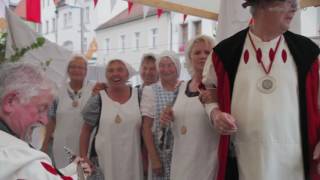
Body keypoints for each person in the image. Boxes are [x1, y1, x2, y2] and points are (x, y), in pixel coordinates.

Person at [202, 0, 320, 180]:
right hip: (243, 160)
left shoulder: (309, 53)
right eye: (287, 2)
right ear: (263, 5)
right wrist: (215, 114)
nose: (295, 7)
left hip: (295, 163)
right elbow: (209, 93)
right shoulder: (224, 54)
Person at [0, 62, 91, 179]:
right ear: (11, 101)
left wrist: (72, 168)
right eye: (41, 108)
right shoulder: (20, 159)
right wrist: (81, 173)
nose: (44, 120)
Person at [160, 35, 219, 180]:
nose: (203, 56)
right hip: (180, 161)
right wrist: (167, 118)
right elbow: (171, 124)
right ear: (189, 57)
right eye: (197, 52)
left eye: (207, 52)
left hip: (206, 163)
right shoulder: (180, 88)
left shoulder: (218, 87)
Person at [79, 59, 143, 180]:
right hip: (104, 161)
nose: (115, 74)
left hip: (133, 160)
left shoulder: (139, 96)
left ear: (127, 74)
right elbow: (85, 130)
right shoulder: (98, 99)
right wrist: (84, 158)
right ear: (106, 75)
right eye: (110, 70)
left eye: (120, 70)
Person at [42, 55, 95, 169]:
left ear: (86, 71)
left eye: (80, 67)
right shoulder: (57, 92)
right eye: (73, 67)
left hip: (87, 145)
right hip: (62, 145)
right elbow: (51, 120)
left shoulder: (94, 91)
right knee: (64, 174)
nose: (76, 70)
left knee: (84, 174)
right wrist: (45, 145)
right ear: (68, 70)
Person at [141, 50, 181, 180]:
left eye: (170, 65)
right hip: (161, 154)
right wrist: (154, 159)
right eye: (162, 65)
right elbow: (146, 128)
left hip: (183, 150)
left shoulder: (185, 88)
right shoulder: (151, 91)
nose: (166, 69)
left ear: (177, 67)